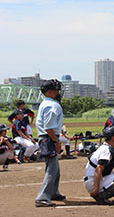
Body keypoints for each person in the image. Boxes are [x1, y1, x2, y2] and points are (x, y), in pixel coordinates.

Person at [35, 79, 66, 207]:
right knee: (51, 169)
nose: (58, 92)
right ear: (48, 92)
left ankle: (53, 192)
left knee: (55, 169)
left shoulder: (48, 103)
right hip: (48, 138)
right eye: (55, 89)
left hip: (48, 138)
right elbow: (48, 127)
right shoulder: (51, 105)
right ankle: (42, 197)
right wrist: (56, 141)